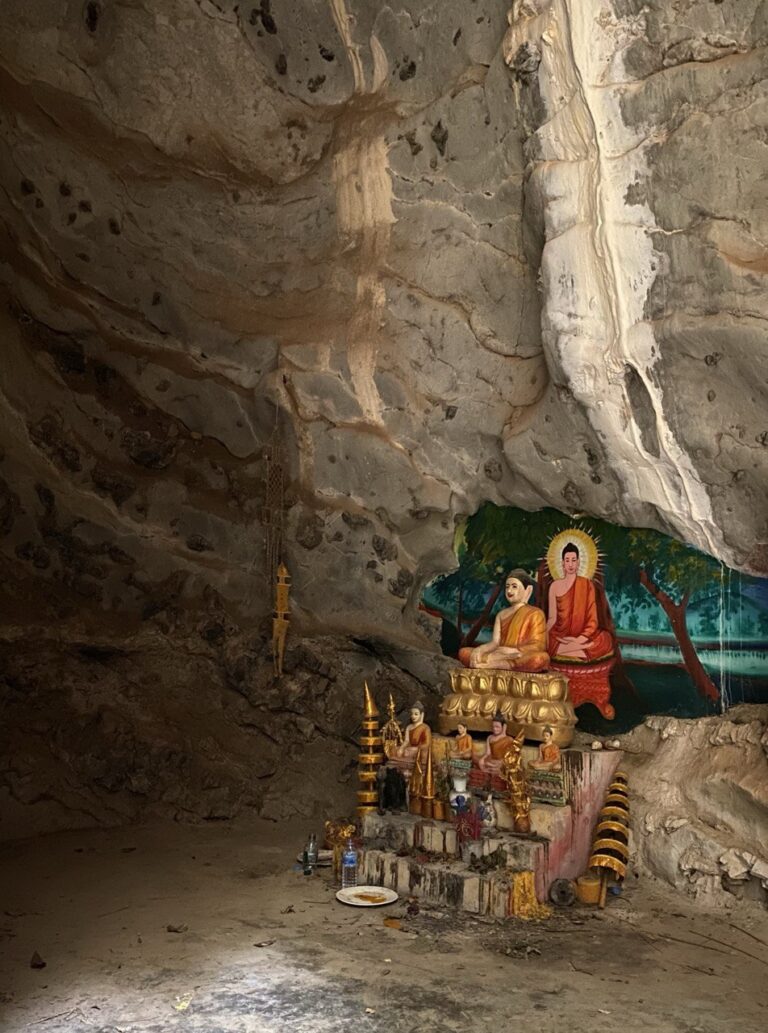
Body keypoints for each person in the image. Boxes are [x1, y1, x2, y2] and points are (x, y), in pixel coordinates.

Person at [458, 569, 549, 672]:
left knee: (540, 659)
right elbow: (495, 643)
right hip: (500, 654)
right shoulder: (501, 615)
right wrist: (480, 649)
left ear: (527, 590)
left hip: (519, 656)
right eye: (507, 587)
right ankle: (498, 663)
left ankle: (497, 664)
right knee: (464, 653)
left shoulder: (535, 613)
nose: (509, 591)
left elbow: (538, 645)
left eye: (514, 586)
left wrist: (514, 650)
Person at [547, 543, 613, 661]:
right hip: (560, 636)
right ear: (562, 563)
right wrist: (541, 634)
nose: (570, 564)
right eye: (567, 560)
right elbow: (552, 619)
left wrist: (579, 640)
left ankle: (572, 648)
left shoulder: (587, 585)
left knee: (606, 639)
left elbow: (593, 620)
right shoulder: (554, 586)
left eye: (573, 560)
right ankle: (580, 649)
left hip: (582, 637)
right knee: (546, 641)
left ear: (578, 562)